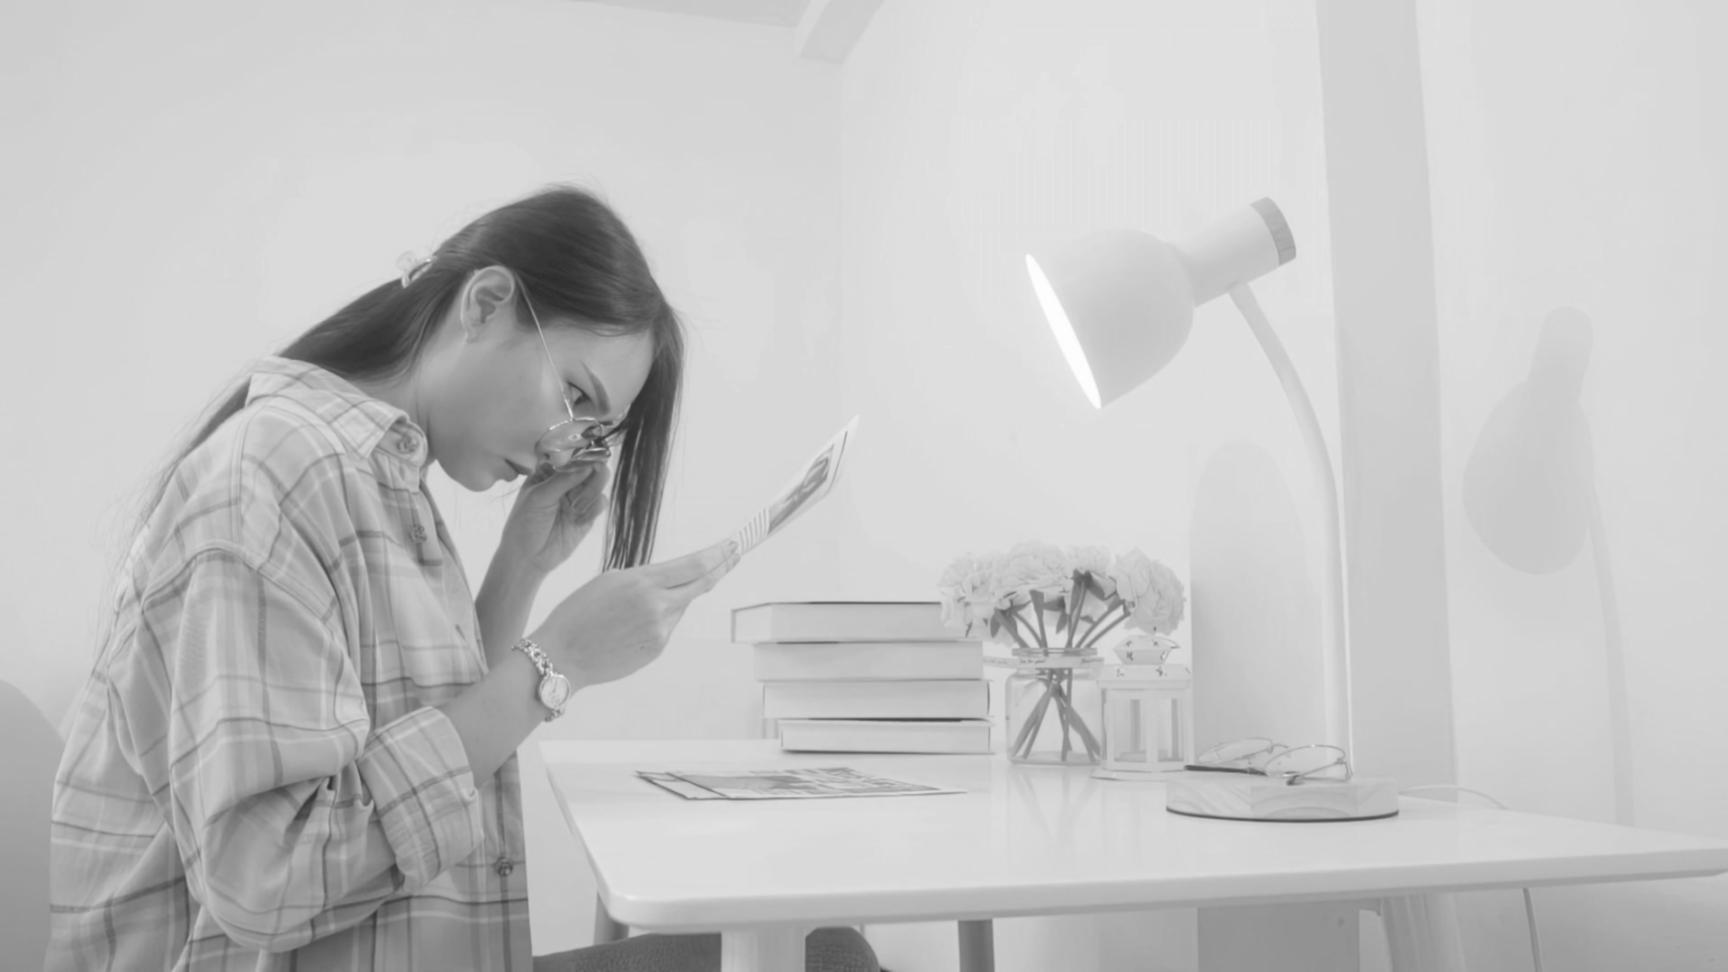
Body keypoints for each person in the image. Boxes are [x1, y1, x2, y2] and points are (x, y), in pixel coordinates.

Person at [47, 185, 881, 972]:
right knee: (827, 955)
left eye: (598, 432)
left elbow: (410, 728)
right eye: (576, 396)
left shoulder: (373, 476)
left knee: (818, 946)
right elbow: (264, 880)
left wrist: (523, 563)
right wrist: (556, 666)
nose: (568, 445)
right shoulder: (279, 469)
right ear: (484, 304)